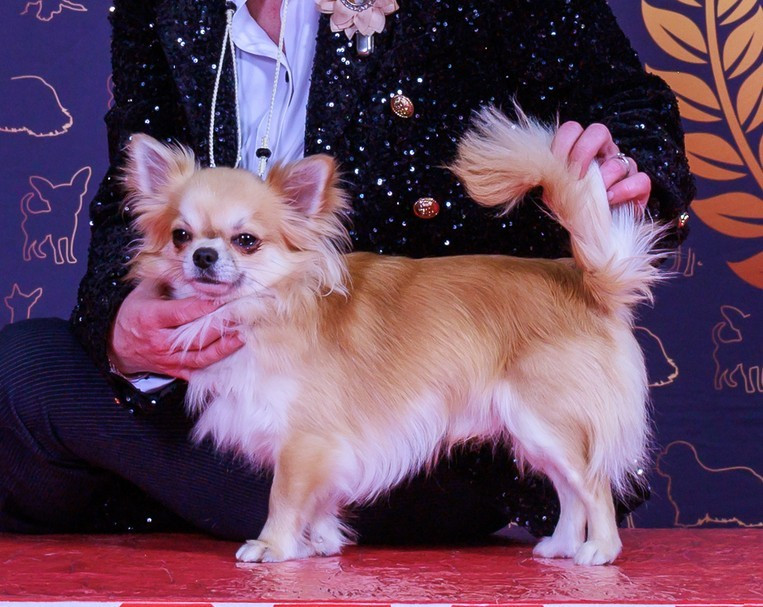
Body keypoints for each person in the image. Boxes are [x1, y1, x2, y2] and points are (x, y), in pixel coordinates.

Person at [0, 0, 694, 541]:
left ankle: (269, 514)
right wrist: (122, 326)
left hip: (419, 418)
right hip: (212, 381)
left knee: (287, 448)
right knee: (22, 371)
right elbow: (131, 201)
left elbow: (631, 105)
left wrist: (623, 174)